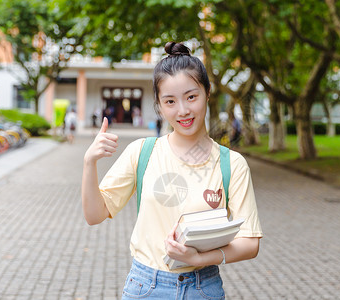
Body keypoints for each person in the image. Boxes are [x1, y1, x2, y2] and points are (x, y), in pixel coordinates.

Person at [82, 42, 263, 299]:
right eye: (170, 101)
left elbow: (250, 243)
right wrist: (89, 162)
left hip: (203, 288)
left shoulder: (232, 164)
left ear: (208, 92)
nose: (183, 110)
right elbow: (94, 215)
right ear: (159, 105)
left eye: (191, 97)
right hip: (145, 288)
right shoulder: (141, 152)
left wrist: (199, 257)